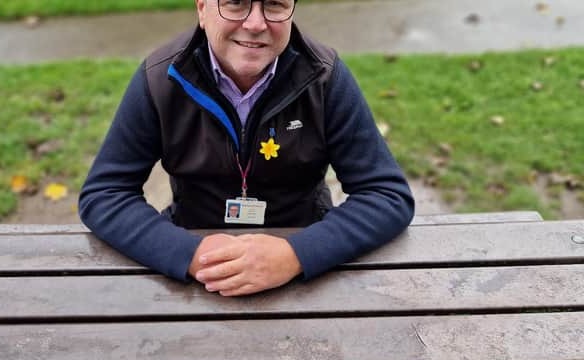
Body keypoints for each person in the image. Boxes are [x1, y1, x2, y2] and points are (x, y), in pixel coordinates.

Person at [79, 0, 414, 297]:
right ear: (202, 10)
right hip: (195, 265)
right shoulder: (160, 78)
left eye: (275, 5)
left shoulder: (325, 77)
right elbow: (105, 194)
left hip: (305, 266)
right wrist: (191, 254)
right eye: (236, 3)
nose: (256, 24)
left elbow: (387, 195)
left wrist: (296, 254)